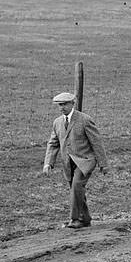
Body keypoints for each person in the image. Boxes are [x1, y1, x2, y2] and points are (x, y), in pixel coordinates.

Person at [43, 92, 109, 229]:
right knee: (76, 190)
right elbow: (53, 143)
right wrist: (48, 163)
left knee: (77, 186)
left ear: (73, 104)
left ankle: (74, 219)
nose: (62, 108)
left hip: (86, 161)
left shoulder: (84, 120)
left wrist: (103, 164)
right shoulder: (57, 122)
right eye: (60, 105)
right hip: (68, 163)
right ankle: (85, 218)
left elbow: (96, 142)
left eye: (65, 104)